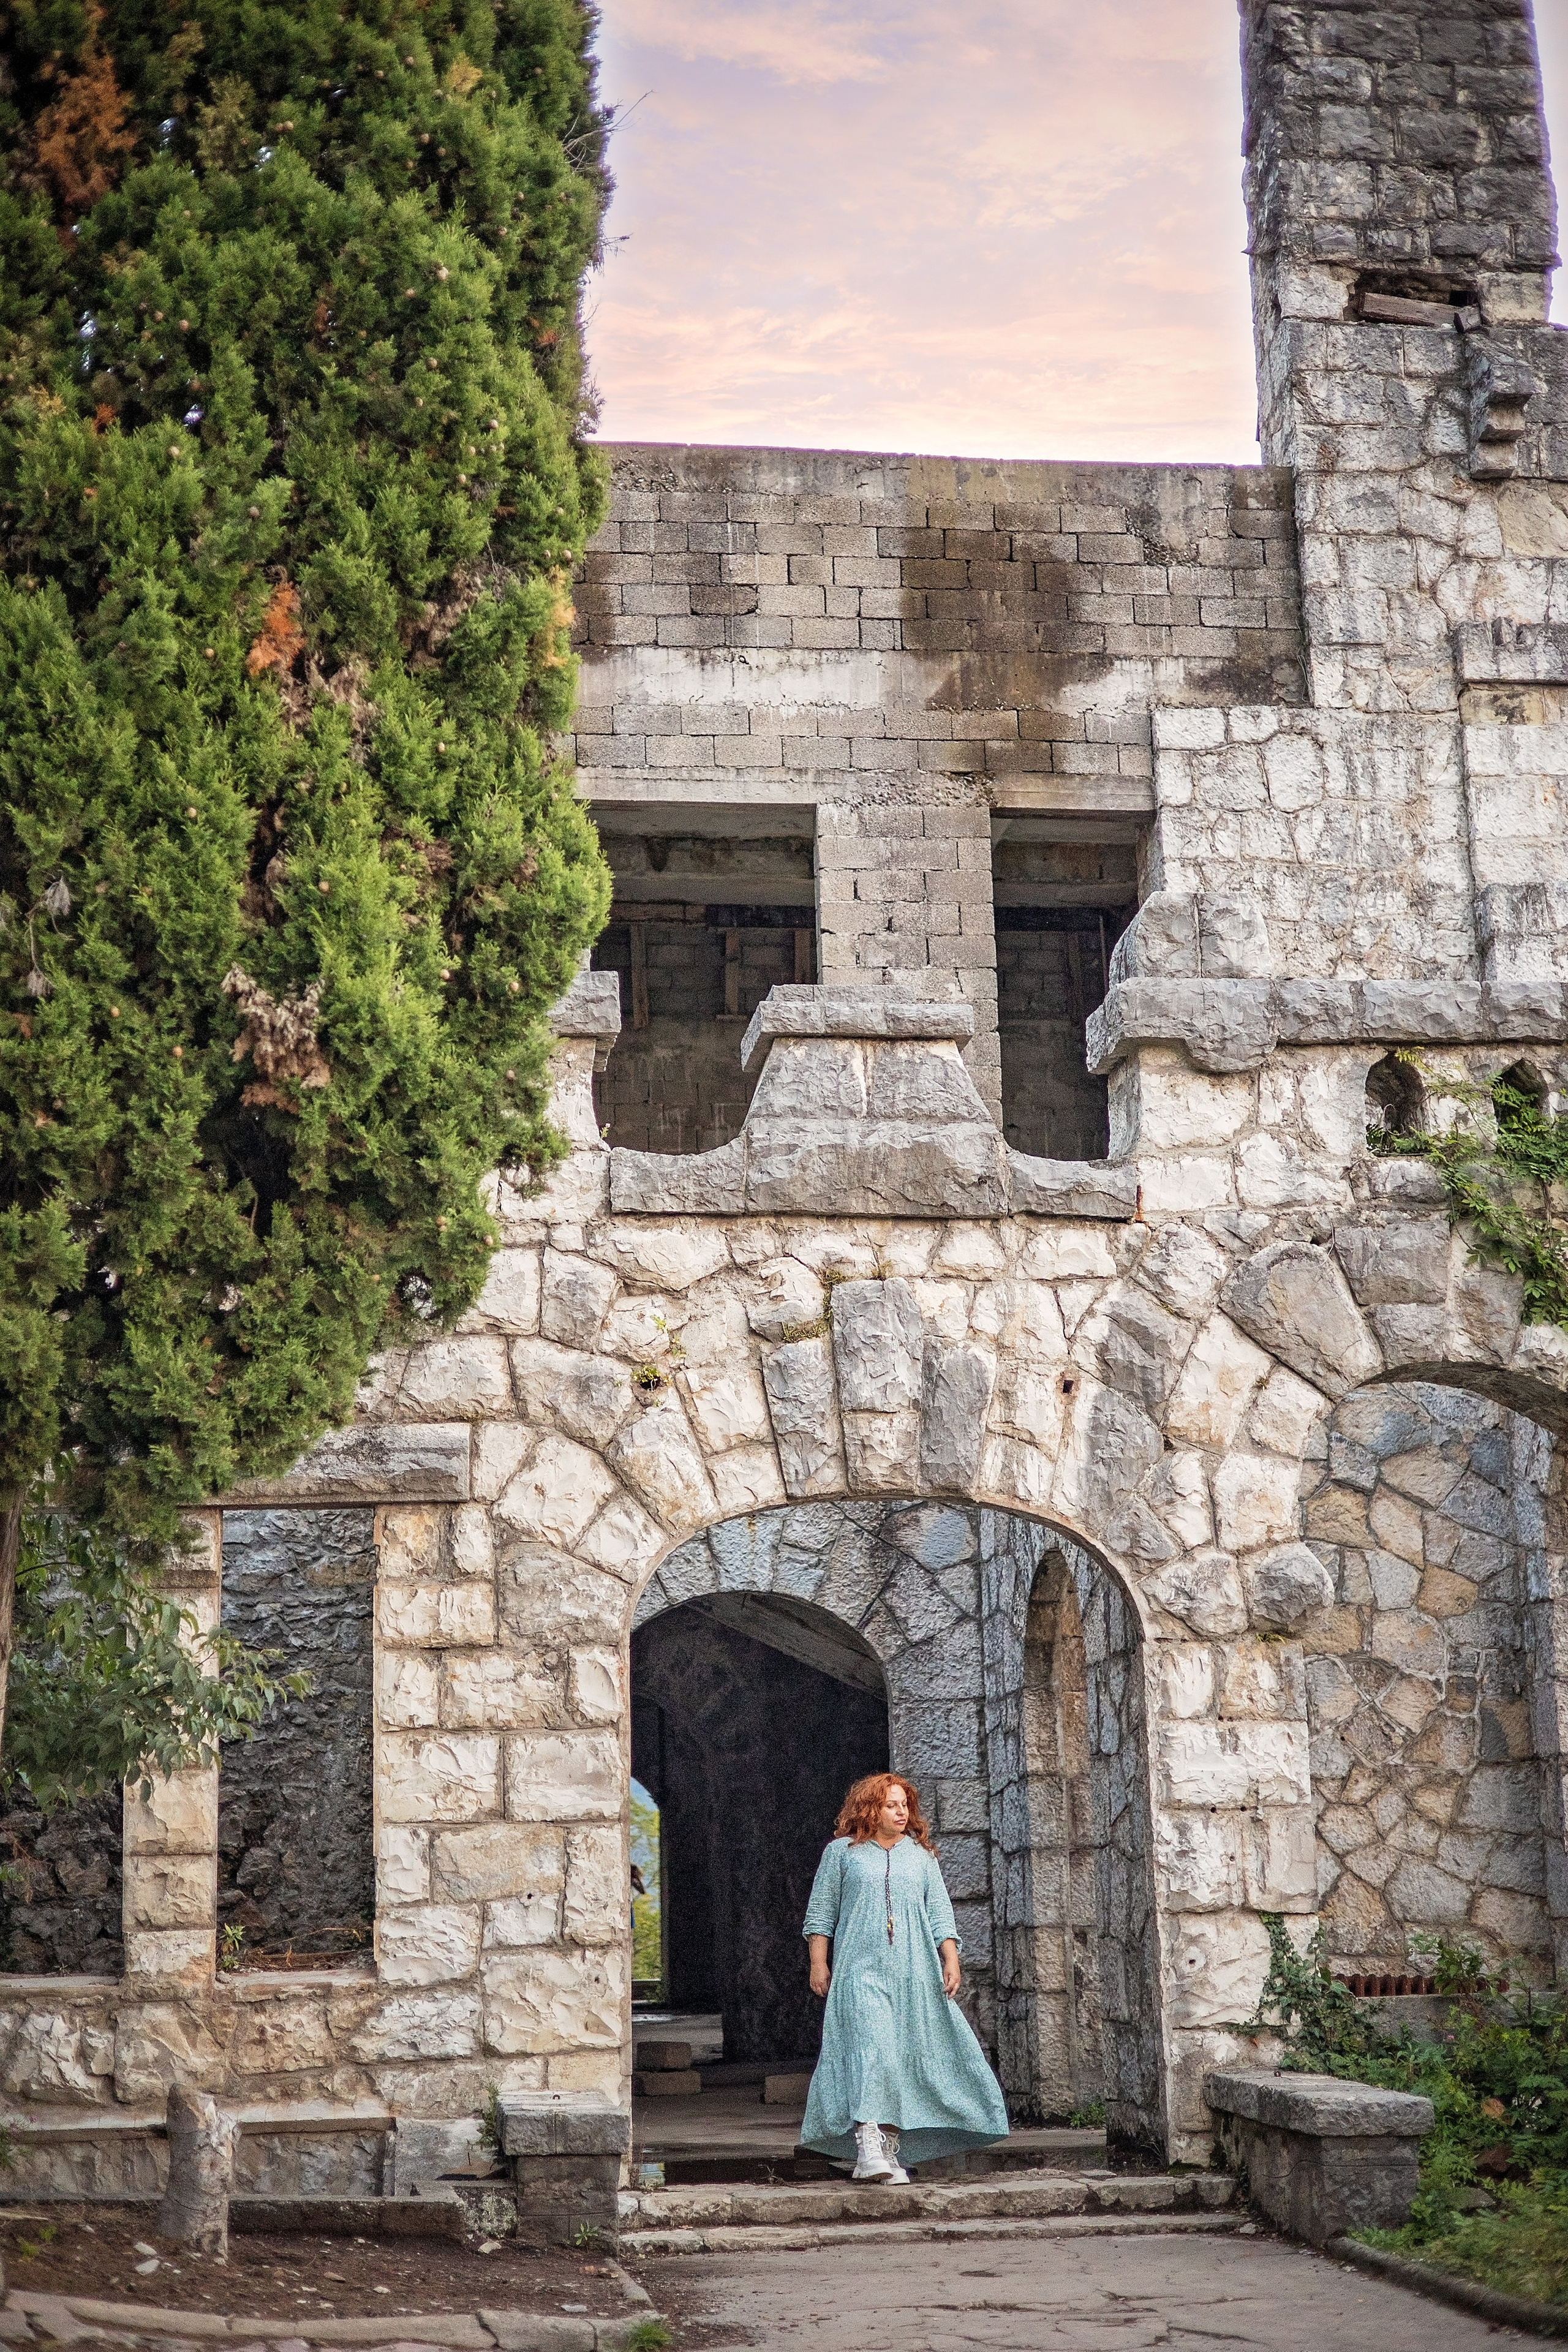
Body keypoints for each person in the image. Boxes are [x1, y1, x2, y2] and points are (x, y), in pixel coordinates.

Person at [800, 1771, 1009, 2184]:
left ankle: (889, 2153)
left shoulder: (921, 1855)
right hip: (861, 1970)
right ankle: (867, 2146)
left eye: (905, 1805)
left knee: (899, 2060)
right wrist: (818, 1963)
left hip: (916, 1973)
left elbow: (940, 1914)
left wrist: (951, 1959)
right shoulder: (842, 1854)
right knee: (873, 2050)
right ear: (869, 1808)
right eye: (891, 1804)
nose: (901, 1812)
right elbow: (821, 1913)